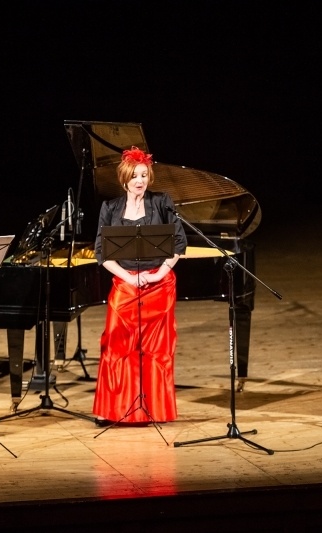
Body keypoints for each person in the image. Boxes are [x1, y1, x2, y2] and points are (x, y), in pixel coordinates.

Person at [92, 146, 187, 426]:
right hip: (125, 284)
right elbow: (102, 252)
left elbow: (179, 244)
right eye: (134, 176)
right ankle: (112, 410)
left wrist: (159, 273)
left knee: (157, 350)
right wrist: (128, 276)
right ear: (124, 179)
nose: (140, 180)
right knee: (116, 345)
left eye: (144, 175)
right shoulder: (110, 208)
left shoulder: (162, 203)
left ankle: (154, 410)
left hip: (159, 285)